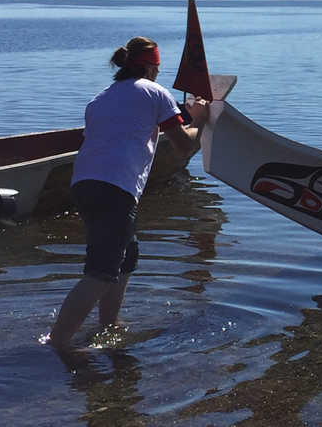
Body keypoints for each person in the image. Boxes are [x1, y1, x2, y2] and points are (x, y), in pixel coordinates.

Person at [48, 37, 209, 350]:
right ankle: (58, 343)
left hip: (84, 183)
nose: (158, 74)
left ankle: (109, 325)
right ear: (150, 66)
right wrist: (200, 120)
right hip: (115, 187)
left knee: (126, 256)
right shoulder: (154, 92)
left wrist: (184, 115)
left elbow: (130, 127)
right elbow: (184, 145)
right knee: (101, 271)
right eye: (157, 68)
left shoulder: (100, 99)